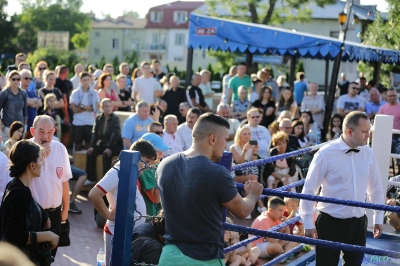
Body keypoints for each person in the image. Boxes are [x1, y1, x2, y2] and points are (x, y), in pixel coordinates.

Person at [157, 112, 264, 265]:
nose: (226, 146)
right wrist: (253, 194)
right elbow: (242, 211)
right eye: (225, 140)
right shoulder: (217, 173)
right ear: (213, 139)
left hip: (169, 255)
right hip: (204, 258)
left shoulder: (164, 165)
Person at [299, 111, 384, 266]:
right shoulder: (325, 154)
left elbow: (376, 187)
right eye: (365, 132)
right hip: (329, 223)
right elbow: (310, 189)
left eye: (369, 131)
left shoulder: (368, 153)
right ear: (349, 132)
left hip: (358, 223)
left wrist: (378, 217)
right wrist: (307, 222)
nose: (368, 135)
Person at [88, 139, 156, 265]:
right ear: (136, 156)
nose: (147, 167)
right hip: (116, 233)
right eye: (146, 162)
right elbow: (94, 194)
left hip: (128, 233)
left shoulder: (131, 171)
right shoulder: (117, 172)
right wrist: (108, 215)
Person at [0, 140, 59, 263]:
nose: (42, 163)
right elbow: (12, 236)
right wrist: (48, 236)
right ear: (32, 165)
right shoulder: (20, 193)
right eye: (40, 160)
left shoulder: (16, 186)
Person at [28, 115, 72, 257]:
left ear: (54, 131)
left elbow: (64, 181)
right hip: (33, 214)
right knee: (32, 256)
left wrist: (65, 209)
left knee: (50, 256)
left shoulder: (60, 149)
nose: (45, 136)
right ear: (32, 131)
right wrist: (40, 156)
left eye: (50, 132)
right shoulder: (24, 149)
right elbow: (21, 180)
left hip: (54, 214)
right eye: (41, 132)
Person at [86, 98, 123, 184]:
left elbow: (116, 134)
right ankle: (91, 178)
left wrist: (110, 148)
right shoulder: (99, 118)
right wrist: (92, 146)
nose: (108, 108)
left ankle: (106, 181)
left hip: (115, 145)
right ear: (102, 107)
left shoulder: (115, 118)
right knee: (90, 153)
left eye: (110, 106)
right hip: (104, 143)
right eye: (106, 106)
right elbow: (95, 133)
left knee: (106, 155)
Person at [250, 197, 298, 262]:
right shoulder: (264, 220)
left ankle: (284, 254)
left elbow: (286, 235)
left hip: (270, 241)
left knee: (293, 239)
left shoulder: (276, 217)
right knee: (277, 247)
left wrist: (286, 223)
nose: (282, 213)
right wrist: (281, 244)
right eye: (280, 210)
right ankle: (281, 253)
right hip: (257, 245)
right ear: (271, 210)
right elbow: (269, 238)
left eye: (283, 210)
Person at [139, 133, 170, 219]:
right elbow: (156, 199)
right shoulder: (145, 170)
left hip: (159, 217)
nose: (162, 154)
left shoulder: (157, 165)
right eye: (158, 151)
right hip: (150, 220)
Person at [70, 71, 100, 151]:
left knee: (89, 144)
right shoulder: (75, 93)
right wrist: (89, 107)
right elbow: (75, 110)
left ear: (91, 80)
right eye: (84, 80)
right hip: (78, 122)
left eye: (88, 80)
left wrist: (82, 106)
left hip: (90, 122)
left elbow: (95, 108)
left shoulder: (94, 93)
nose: (86, 82)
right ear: (80, 81)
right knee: (77, 144)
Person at [0, 70, 28, 142]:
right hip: (7, 127)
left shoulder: (23, 93)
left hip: (20, 128)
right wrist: (3, 127)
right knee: (7, 150)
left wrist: (25, 125)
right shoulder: (4, 93)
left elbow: (25, 111)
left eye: (18, 79)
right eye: (13, 79)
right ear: (9, 79)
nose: (16, 81)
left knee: (18, 151)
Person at [378, 89, 400, 173]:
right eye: (390, 96)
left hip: (398, 136)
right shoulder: (382, 108)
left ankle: (398, 178)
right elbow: (379, 122)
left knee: (399, 154)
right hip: (385, 136)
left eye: (394, 95)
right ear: (386, 97)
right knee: (381, 156)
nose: (392, 97)